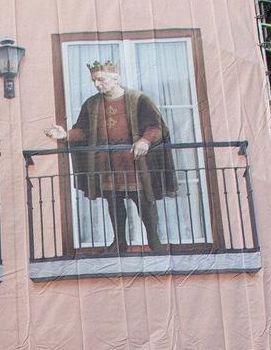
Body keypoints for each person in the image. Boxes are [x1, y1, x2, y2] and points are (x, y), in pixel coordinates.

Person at [46, 60, 178, 252]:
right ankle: (119, 243)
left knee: (144, 203)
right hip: (107, 164)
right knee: (114, 204)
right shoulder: (91, 104)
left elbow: (156, 127)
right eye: (94, 81)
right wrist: (65, 135)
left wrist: (145, 141)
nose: (97, 84)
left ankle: (154, 242)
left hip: (134, 164)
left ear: (116, 78)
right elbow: (83, 131)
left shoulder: (139, 99)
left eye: (101, 79)